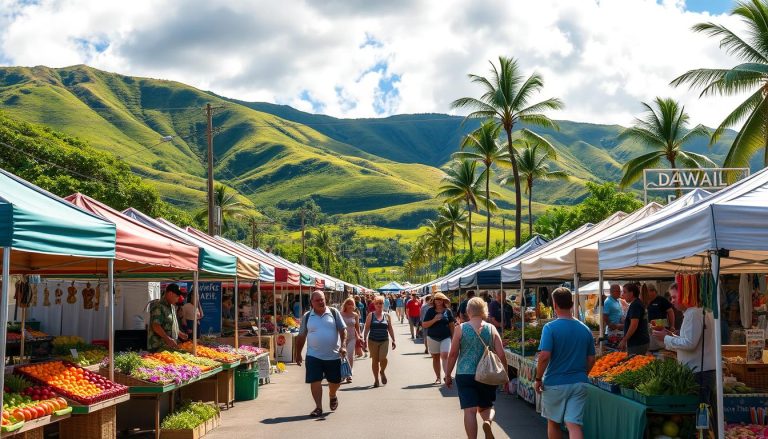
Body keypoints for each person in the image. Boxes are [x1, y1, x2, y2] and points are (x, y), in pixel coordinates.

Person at [652, 282, 717, 432]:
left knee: (701, 413)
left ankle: (704, 435)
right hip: (702, 370)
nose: (672, 300)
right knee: (704, 411)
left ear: (686, 295)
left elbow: (690, 343)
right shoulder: (700, 311)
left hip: (700, 372)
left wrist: (666, 338)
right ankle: (706, 434)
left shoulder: (694, 313)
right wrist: (670, 336)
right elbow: (691, 340)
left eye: (674, 297)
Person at [535, 287, 596, 439]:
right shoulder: (585, 329)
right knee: (573, 424)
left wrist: (537, 378)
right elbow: (591, 359)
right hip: (579, 382)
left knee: (554, 423)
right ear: (572, 303)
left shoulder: (550, 328)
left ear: (554, 305)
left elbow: (544, 356)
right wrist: (583, 373)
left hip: (555, 382)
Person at [445, 297, 507, 439]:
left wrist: (448, 374)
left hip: (465, 374)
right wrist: (505, 374)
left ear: (468, 311)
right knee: (487, 407)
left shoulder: (460, 329)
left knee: (470, 411)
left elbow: (453, 354)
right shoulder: (491, 328)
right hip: (487, 375)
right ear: (484, 310)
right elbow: (501, 354)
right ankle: (487, 422)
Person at [295, 290, 347, 417]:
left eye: (322, 299)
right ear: (312, 302)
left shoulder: (333, 313)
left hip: (333, 355)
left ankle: (332, 394)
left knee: (335, 382)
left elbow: (343, 330)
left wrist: (343, 345)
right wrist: (298, 353)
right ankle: (318, 407)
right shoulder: (307, 316)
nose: (321, 302)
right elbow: (301, 336)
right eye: (317, 300)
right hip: (313, 355)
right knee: (315, 381)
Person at [423, 292, 456, 384]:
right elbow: (424, 325)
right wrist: (434, 319)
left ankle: (447, 375)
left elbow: (451, 325)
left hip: (446, 337)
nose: (439, 301)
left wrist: (453, 337)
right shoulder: (430, 311)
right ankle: (438, 377)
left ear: (443, 301)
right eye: (437, 299)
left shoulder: (448, 311)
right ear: (434, 301)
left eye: (440, 299)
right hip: (432, 337)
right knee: (436, 358)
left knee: (445, 354)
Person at [363, 296, 396, 387]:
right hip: (372, 340)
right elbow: (366, 328)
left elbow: (390, 328)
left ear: (383, 304)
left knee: (383, 358)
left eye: (380, 303)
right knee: (375, 360)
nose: (379, 305)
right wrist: (364, 339)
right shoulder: (371, 315)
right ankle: (376, 380)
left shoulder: (387, 315)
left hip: (384, 340)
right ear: (374, 304)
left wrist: (393, 339)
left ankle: (382, 371)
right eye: (377, 303)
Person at [147, 284, 189, 351]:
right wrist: (167, 339)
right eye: (177, 296)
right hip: (158, 347)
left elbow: (170, 325)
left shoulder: (172, 306)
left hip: (168, 348)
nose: (178, 298)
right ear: (170, 293)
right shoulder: (158, 306)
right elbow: (155, 325)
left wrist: (180, 334)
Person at [618, 283, 649, 355]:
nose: (622, 295)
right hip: (640, 342)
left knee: (635, 364)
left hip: (637, 343)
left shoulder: (635, 305)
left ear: (631, 293)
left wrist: (624, 340)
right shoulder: (637, 303)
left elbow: (634, 325)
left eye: (625, 292)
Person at [645, 283, 675, 351]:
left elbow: (671, 312)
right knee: (652, 346)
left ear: (653, 291)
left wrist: (672, 325)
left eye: (647, 292)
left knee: (662, 346)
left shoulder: (662, 300)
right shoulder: (646, 301)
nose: (645, 294)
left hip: (661, 325)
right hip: (650, 326)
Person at [340, 297, 361, 383]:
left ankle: (349, 374)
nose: (350, 306)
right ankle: (343, 373)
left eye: (352, 304)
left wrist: (359, 336)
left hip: (352, 337)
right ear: (345, 305)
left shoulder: (355, 315)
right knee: (342, 356)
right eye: (349, 304)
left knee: (350, 355)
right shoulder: (340, 314)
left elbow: (357, 326)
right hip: (342, 338)